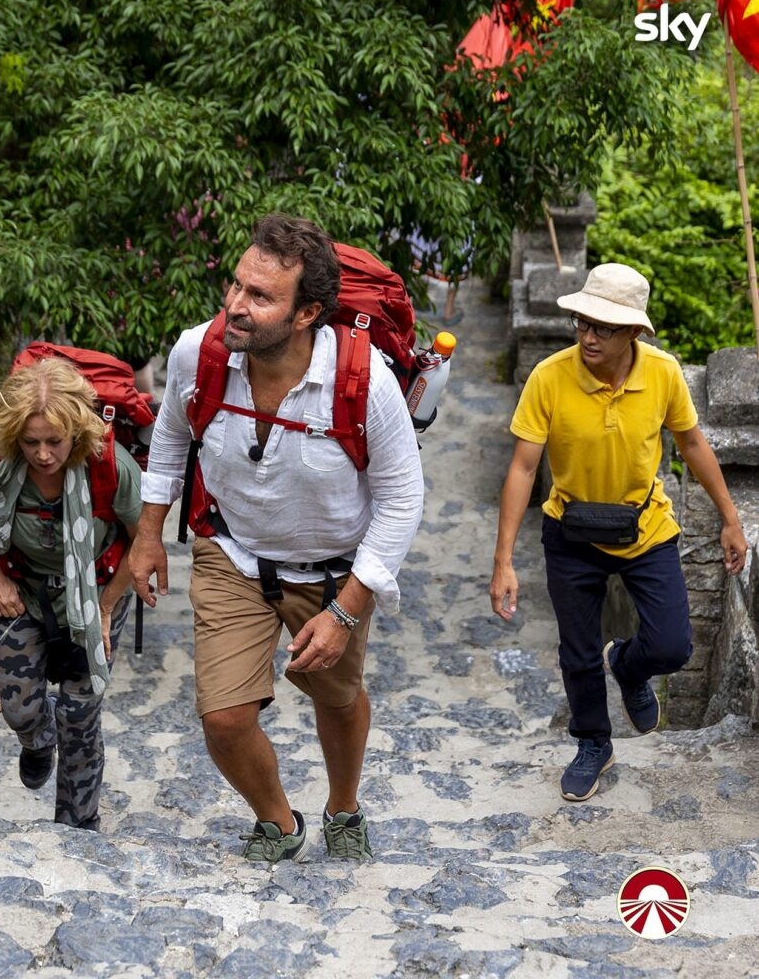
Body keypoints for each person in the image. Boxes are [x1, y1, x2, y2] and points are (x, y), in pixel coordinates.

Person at [128, 212, 424, 862]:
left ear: (305, 314)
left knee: (337, 700)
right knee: (224, 717)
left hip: (331, 571)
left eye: (259, 297)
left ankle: (343, 806)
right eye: (235, 286)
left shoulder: (364, 381)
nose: (235, 305)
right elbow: (173, 434)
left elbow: (403, 498)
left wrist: (346, 611)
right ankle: (278, 821)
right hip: (231, 554)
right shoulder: (196, 353)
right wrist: (149, 533)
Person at [488, 263, 747, 802]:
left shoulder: (663, 373)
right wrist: (504, 560)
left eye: (603, 328)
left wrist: (731, 517)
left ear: (634, 331)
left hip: (645, 526)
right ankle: (593, 742)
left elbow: (694, 444)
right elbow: (521, 468)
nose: (587, 336)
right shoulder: (550, 377)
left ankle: (627, 667)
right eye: (583, 323)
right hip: (570, 529)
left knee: (673, 645)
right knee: (576, 652)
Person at [0, 358, 141, 830]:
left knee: (80, 711)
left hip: (97, 592)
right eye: (31, 442)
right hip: (22, 589)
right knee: (21, 708)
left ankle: (78, 824)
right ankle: (37, 740)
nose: (43, 454)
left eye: (55, 441)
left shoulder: (110, 464)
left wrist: (107, 607)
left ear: (77, 432)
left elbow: (143, 540)